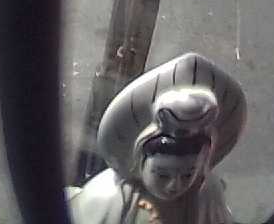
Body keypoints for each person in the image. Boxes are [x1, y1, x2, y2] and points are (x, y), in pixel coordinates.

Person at [66, 52, 245, 224]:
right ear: (141, 162)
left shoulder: (206, 194)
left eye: (188, 174)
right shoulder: (112, 196)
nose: (174, 185)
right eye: (162, 175)